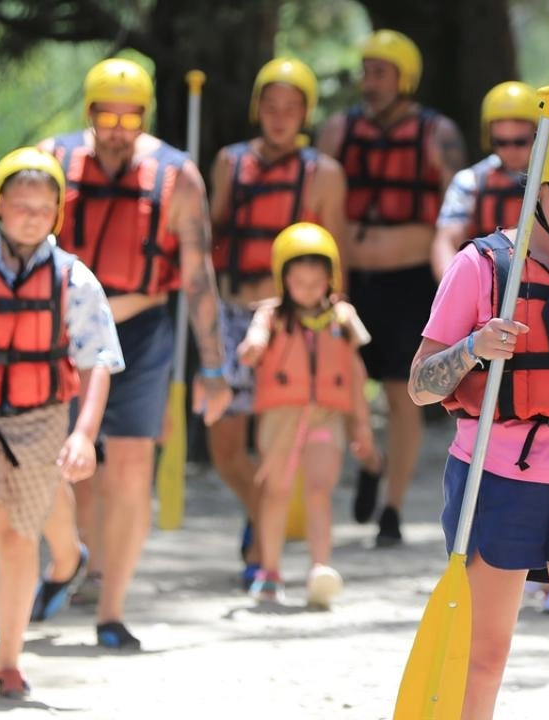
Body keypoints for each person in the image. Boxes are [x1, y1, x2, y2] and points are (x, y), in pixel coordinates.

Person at [409, 116, 549, 718]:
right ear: (536, 187)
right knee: (483, 656)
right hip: (500, 481)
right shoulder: (479, 269)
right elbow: (419, 387)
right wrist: (472, 349)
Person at [32, 57, 232, 650]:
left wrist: (215, 368)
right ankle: (67, 559)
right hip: (61, 330)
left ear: (143, 115)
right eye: (106, 116)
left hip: (141, 332)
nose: (118, 129)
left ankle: (111, 611)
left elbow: (198, 281)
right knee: (52, 464)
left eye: (130, 116)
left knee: (130, 471)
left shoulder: (176, 176)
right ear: (89, 113)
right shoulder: (53, 161)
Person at [0, 148, 123, 698]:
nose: (32, 215)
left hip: (41, 420)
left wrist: (83, 432)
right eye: (21, 204)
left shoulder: (75, 281)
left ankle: (9, 661)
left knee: (17, 536)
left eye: (44, 206)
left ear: (58, 213)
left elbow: (96, 364)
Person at [207, 56, 365, 587]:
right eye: (271, 107)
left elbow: (336, 256)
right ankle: (263, 515)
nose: (279, 117)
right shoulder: (230, 163)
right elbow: (214, 234)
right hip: (236, 313)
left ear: (305, 114)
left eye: (291, 108)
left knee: (280, 434)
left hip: (295, 323)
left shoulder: (325, 173)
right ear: (258, 110)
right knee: (225, 446)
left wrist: (336, 325)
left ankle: (263, 549)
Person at [318, 29, 465, 546]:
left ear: (404, 78)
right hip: (352, 281)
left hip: (408, 282)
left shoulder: (435, 132)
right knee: (344, 391)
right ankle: (371, 461)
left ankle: (393, 508)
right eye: (367, 71)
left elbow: (455, 210)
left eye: (381, 72)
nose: (371, 82)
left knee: (403, 396)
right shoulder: (340, 129)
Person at [236, 223, 377, 607]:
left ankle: (319, 569)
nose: (310, 288)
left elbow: (356, 373)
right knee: (276, 491)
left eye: (317, 281)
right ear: (283, 278)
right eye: (300, 281)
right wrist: (252, 346)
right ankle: (269, 570)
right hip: (281, 416)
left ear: (330, 278)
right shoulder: (270, 316)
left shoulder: (343, 317)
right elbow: (254, 342)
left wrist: (361, 425)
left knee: (320, 492)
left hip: (326, 417)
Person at [431, 81, 539, 280]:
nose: (511, 150)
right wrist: (454, 285)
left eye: (520, 142)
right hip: (488, 286)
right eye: (501, 142)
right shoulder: (469, 181)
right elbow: (446, 241)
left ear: (538, 135)